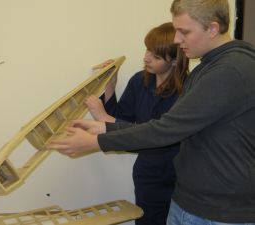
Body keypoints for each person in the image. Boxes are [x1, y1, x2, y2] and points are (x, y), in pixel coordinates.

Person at [47, 0, 255, 224]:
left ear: (213, 29)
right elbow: (170, 126)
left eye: (184, 32)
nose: (177, 39)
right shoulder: (208, 66)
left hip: (219, 212)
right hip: (189, 202)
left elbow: (168, 129)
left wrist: (98, 141)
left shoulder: (230, 70)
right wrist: (106, 127)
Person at [84, 22, 189, 225]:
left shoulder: (186, 90)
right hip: (148, 174)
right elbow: (122, 119)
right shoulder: (140, 80)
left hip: (177, 175)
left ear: (175, 61)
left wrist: (104, 119)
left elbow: (155, 135)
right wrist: (110, 87)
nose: (146, 58)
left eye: (156, 56)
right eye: (147, 50)